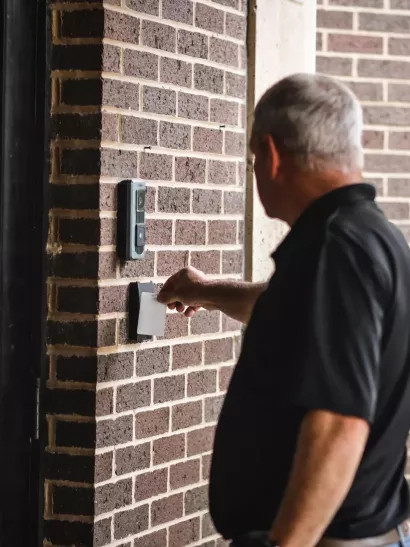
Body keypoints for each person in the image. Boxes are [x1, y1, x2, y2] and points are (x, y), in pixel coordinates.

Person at [158, 73, 410, 547]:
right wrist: (206, 291)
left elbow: (339, 424)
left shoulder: (336, 251)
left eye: (254, 159)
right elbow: (302, 319)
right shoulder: (373, 239)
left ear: (271, 156)